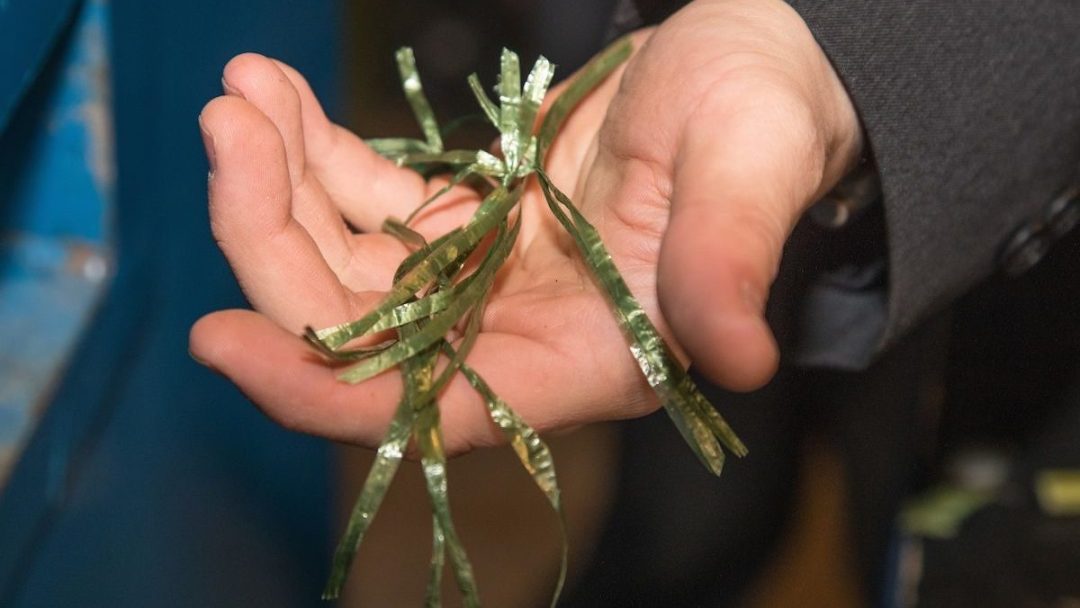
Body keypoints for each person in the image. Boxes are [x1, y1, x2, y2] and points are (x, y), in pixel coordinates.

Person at [191, 0, 1080, 603]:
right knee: (687, 532)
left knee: (900, 529)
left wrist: (831, 56)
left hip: (1006, 344)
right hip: (671, 143)